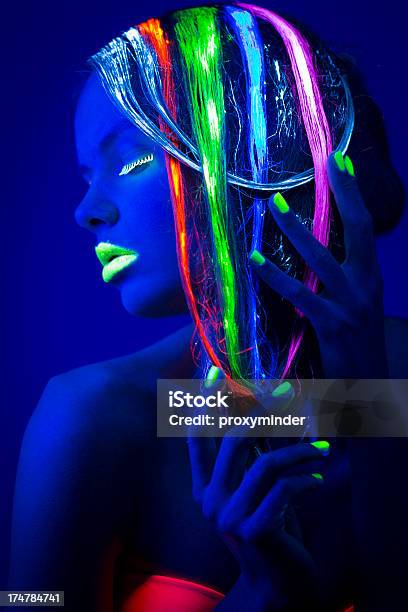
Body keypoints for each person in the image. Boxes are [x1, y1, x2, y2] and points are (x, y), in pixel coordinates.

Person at [8, 3, 408, 611]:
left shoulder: (394, 382)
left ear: (262, 157)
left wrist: (374, 414)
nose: (87, 210)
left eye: (131, 160)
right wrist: (261, 594)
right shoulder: (94, 417)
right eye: (87, 174)